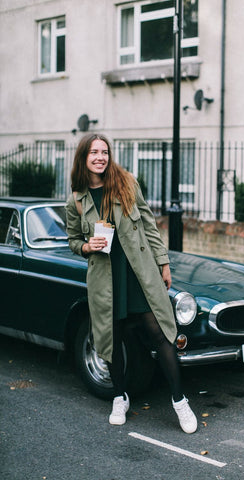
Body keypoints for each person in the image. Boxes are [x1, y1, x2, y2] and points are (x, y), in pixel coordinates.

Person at [65, 133, 197, 434]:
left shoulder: (126, 183)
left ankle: (180, 401)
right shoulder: (76, 198)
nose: (100, 157)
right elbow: (73, 239)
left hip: (139, 273)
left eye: (105, 152)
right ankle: (119, 396)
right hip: (105, 278)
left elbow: (149, 225)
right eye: (94, 152)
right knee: (111, 338)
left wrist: (163, 263)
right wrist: (87, 246)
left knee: (161, 331)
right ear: (83, 157)